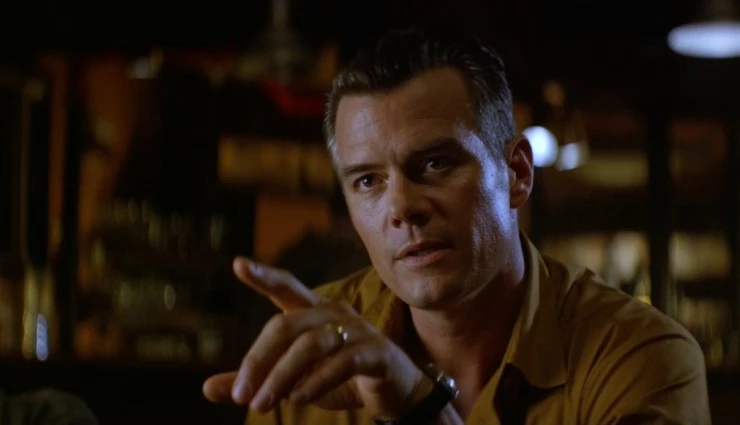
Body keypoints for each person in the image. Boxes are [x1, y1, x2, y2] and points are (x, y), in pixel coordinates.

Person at [203, 25, 711, 425]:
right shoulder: (314, 347)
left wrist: (417, 408)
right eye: (368, 181)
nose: (402, 208)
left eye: (435, 164)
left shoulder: (639, 356)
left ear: (517, 174)